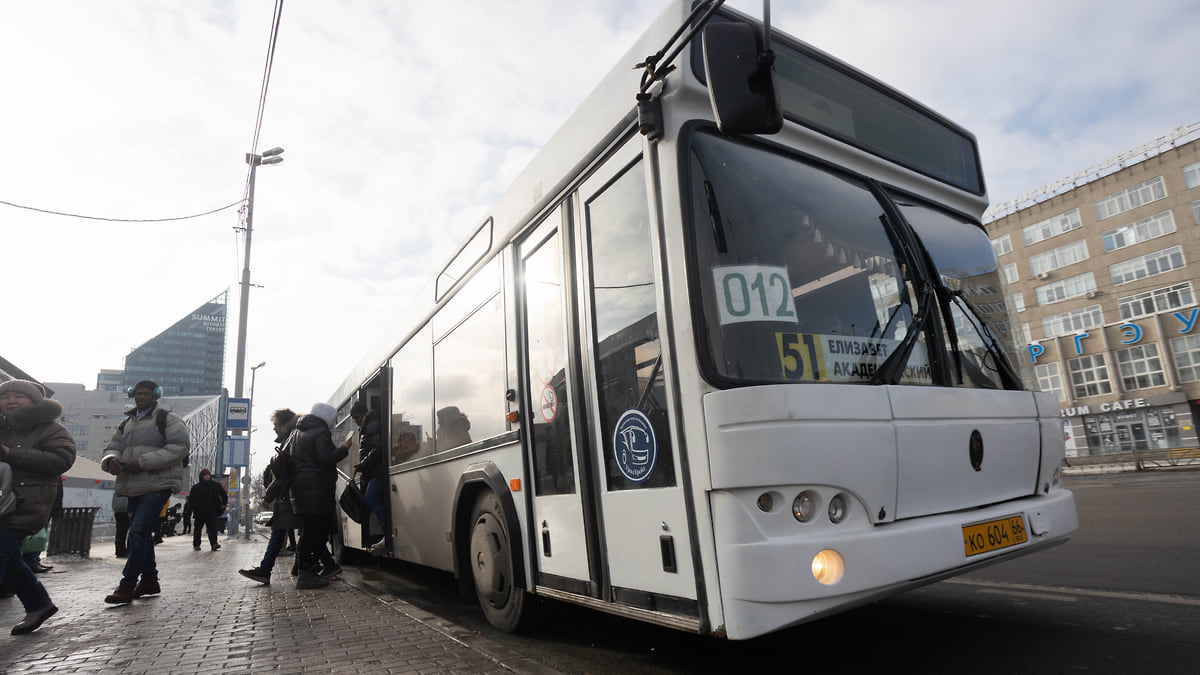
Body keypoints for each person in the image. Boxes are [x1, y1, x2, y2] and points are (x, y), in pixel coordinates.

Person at [99, 380, 190, 605]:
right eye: (137, 393)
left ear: (156, 395)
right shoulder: (126, 423)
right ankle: (149, 580)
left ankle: (127, 584)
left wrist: (143, 462)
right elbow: (113, 447)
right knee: (142, 532)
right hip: (133, 484)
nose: (141, 397)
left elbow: (179, 448)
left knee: (138, 532)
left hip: (158, 484)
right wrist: (111, 460)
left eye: (146, 394)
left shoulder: (168, 419)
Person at [0, 379, 76, 635]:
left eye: (18, 396)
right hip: (1, 500)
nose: (10, 401)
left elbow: (61, 460)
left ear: (33, 400)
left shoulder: (51, 429)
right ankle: (39, 604)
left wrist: (10, 453)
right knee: (10, 560)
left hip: (24, 505)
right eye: (5, 396)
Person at [287, 402, 348, 589]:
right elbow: (326, 458)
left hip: (301, 490)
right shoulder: (320, 432)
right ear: (326, 417)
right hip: (316, 490)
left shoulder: (297, 432)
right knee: (318, 533)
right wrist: (345, 448)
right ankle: (306, 573)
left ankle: (304, 569)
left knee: (309, 532)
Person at [238, 408, 301, 586]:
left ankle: (266, 570)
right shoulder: (290, 440)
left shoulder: (290, 442)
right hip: (288, 496)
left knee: (293, 532)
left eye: (276, 425)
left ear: (284, 425)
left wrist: (267, 497)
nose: (274, 429)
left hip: (289, 496)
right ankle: (269, 569)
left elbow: (282, 475)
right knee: (291, 532)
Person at [350, 400, 388, 540]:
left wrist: (363, 464)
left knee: (369, 500)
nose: (356, 422)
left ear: (363, 414)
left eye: (357, 418)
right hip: (373, 471)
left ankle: (387, 531)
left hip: (376, 472)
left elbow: (377, 448)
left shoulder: (372, 423)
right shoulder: (369, 423)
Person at [186, 469, 227, 551]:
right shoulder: (196, 487)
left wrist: (223, 504)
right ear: (202, 476)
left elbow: (223, 495)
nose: (207, 476)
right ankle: (196, 544)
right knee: (198, 529)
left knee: (212, 528)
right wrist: (194, 509)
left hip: (212, 511)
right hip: (199, 512)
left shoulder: (215, 485)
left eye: (208, 475)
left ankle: (214, 544)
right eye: (205, 475)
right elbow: (191, 500)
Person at [112, 492, 130, 557]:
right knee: (132, 531)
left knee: (120, 532)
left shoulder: (120, 485)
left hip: (118, 510)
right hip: (129, 509)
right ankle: (129, 551)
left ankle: (119, 551)